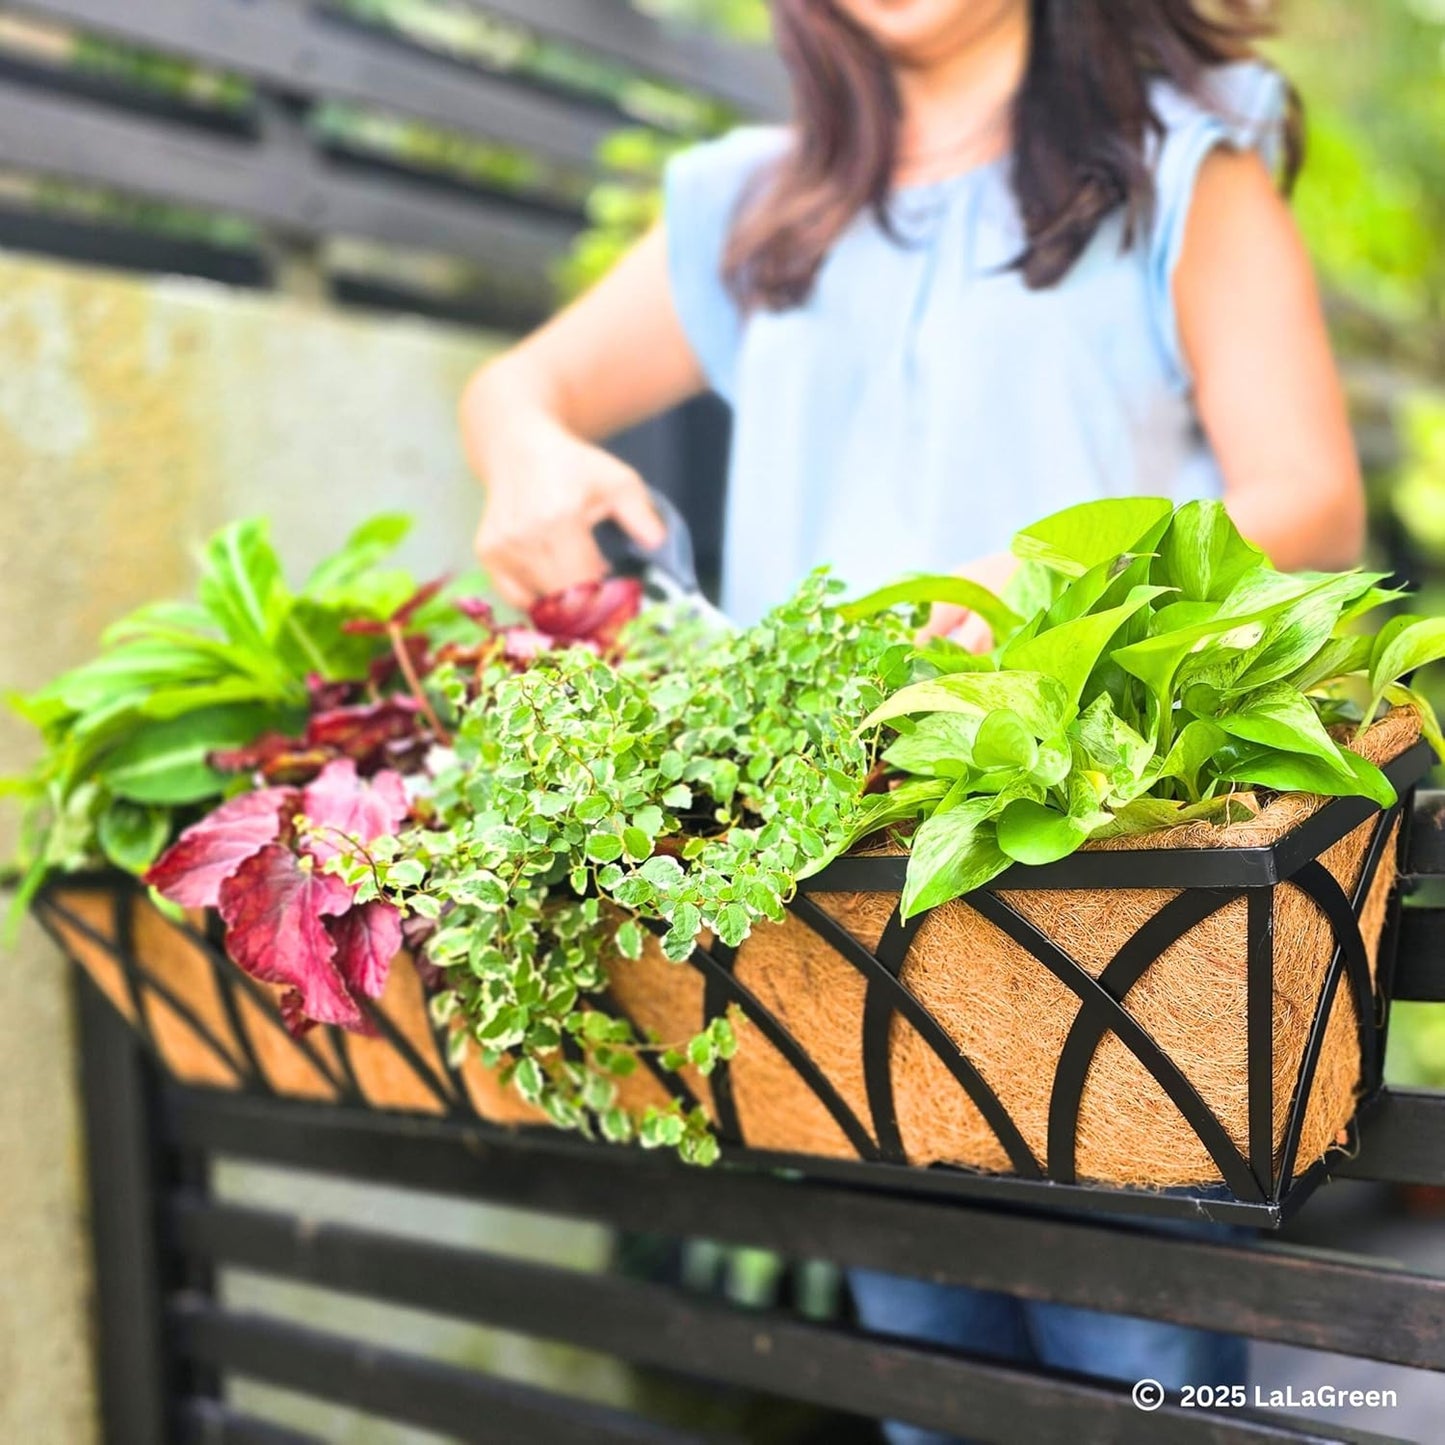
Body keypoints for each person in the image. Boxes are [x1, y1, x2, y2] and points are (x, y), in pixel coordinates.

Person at [459, 1, 1366, 1438]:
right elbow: (522, 384)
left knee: (1139, 1393)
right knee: (926, 1400)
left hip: (1104, 921)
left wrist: (1050, 573)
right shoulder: (754, 207)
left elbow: (1309, 501)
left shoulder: (1182, 173)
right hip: (839, 928)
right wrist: (520, 451)